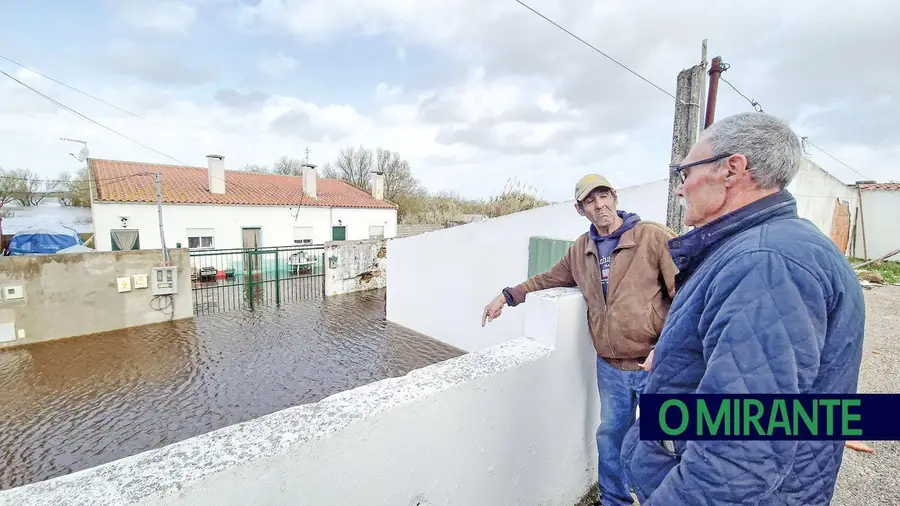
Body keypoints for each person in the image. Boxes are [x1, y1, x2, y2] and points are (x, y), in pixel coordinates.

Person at [621, 112, 866, 505]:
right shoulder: (775, 245)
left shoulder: (766, 262)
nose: (680, 189)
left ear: (731, 170)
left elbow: (741, 449)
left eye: (684, 172)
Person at [482, 175, 678, 506]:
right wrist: (507, 296)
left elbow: (685, 291)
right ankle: (615, 500)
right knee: (611, 437)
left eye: (604, 196)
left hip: (654, 363)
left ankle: (662, 500)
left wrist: (668, 345)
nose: (599, 205)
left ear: (615, 197)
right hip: (610, 367)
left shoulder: (652, 236)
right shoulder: (581, 249)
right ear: (580, 209)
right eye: (590, 200)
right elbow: (548, 278)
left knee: (659, 442)